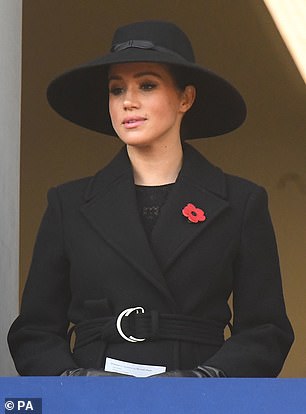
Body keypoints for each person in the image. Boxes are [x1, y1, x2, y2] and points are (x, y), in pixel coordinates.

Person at [8, 20, 294, 378]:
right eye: (116, 89)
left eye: (146, 85)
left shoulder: (242, 202)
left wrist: (204, 380)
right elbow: (34, 332)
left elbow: (266, 332)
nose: (128, 102)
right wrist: (74, 382)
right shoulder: (67, 204)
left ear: (185, 99)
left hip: (197, 401)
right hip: (94, 402)